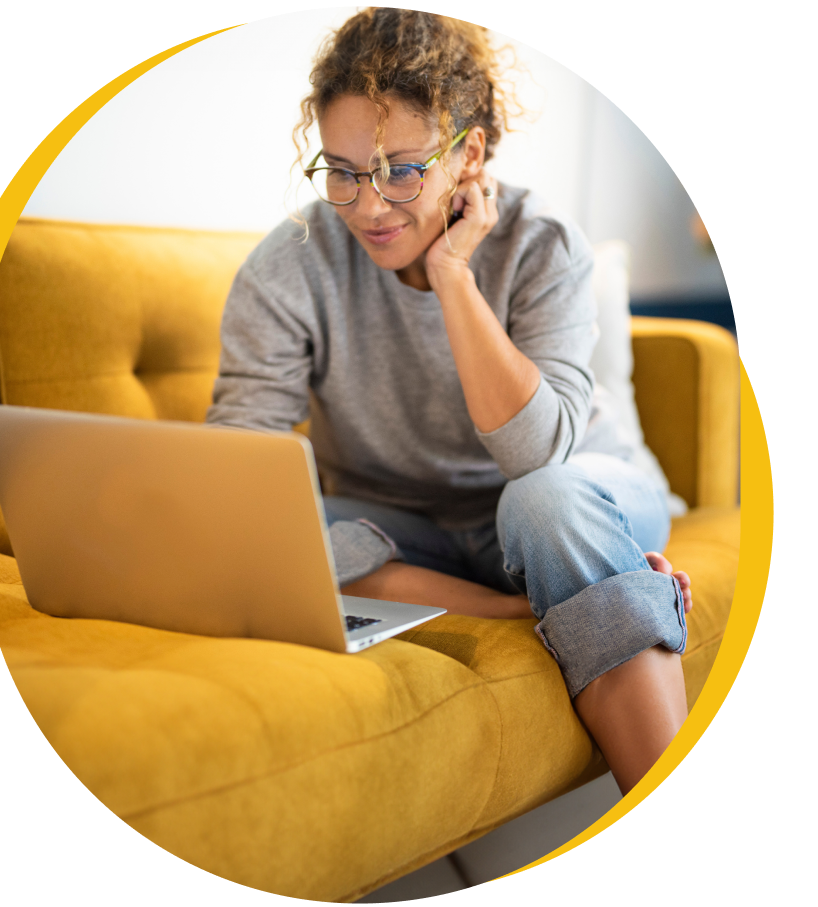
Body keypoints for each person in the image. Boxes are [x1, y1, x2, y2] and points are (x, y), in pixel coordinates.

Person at [207, 8, 691, 795]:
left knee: (544, 503)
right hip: (403, 529)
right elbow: (238, 462)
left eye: (402, 169)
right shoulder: (289, 266)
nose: (368, 206)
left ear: (469, 154)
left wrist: (455, 278)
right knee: (274, 535)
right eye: (341, 170)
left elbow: (539, 456)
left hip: (574, 494)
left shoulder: (543, 245)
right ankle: (524, 602)